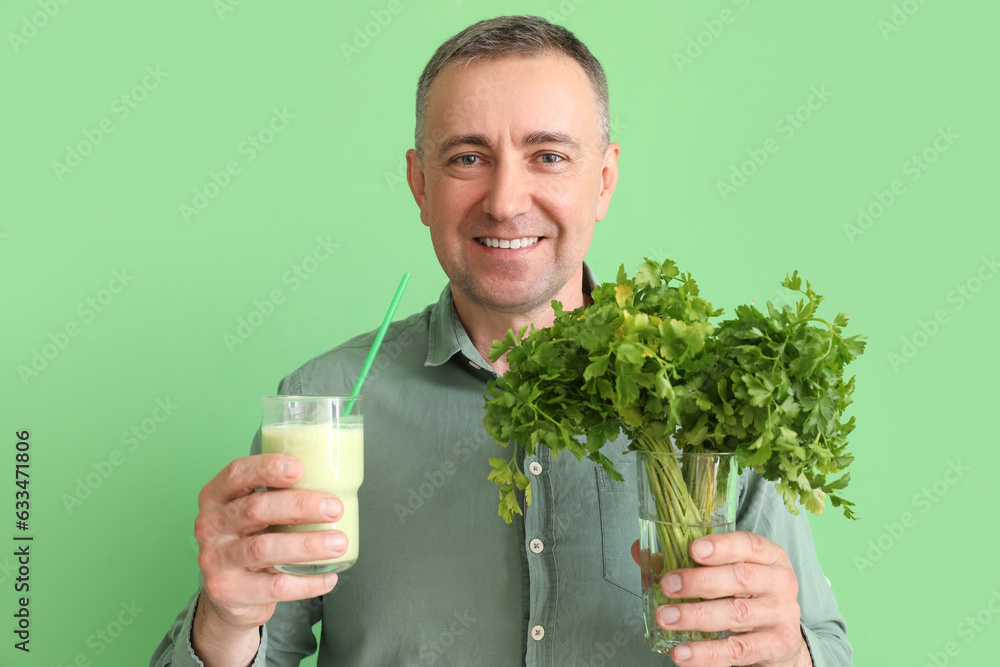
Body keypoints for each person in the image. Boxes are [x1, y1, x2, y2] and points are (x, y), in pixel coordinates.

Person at [151, 15, 851, 667]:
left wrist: (788, 650)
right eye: (466, 158)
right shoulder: (323, 403)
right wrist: (224, 620)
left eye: (548, 155)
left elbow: (823, 646)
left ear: (602, 181)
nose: (506, 200)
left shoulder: (713, 400)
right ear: (419, 183)